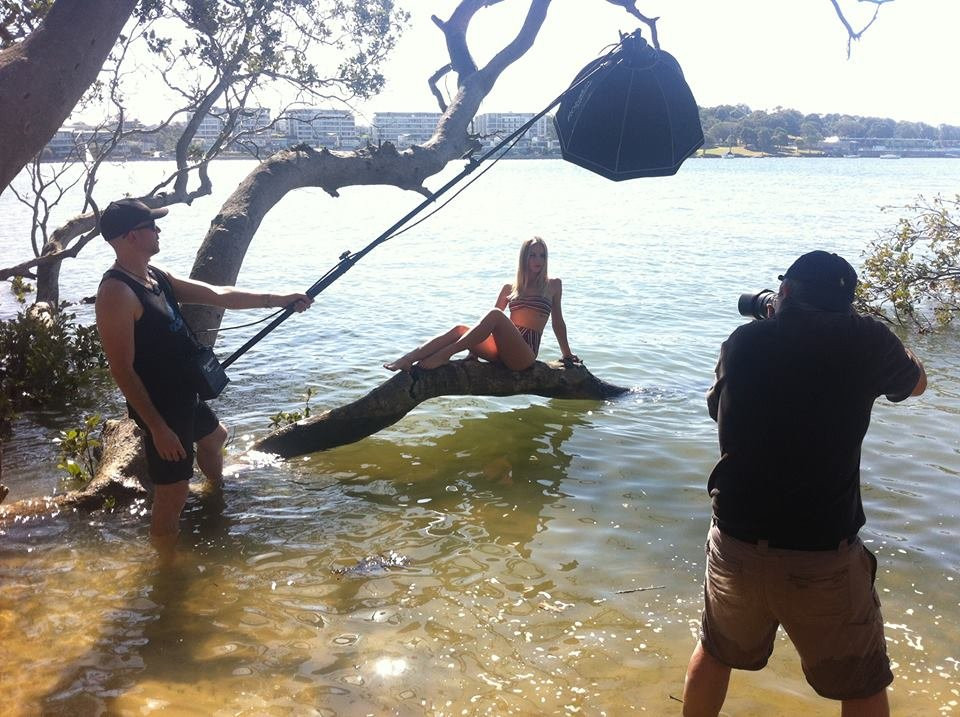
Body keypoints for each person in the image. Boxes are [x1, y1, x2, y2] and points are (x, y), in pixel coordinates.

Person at [682, 250, 927, 717]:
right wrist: (888, 344)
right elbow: (916, 384)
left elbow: (718, 410)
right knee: (862, 685)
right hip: (822, 555)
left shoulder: (744, 342)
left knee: (714, 652)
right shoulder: (866, 340)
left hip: (736, 542)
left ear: (786, 291)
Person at [95, 198, 313, 552]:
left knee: (215, 437)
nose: (158, 230)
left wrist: (278, 298)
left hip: (184, 392)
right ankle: (165, 571)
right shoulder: (116, 293)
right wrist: (158, 428)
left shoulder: (155, 276)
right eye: (152, 225)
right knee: (172, 494)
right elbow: (121, 369)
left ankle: (215, 494)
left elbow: (219, 295)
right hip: (162, 407)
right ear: (131, 236)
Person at [383, 236, 577, 372]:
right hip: (501, 349)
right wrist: (473, 351)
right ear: (524, 257)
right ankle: (407, 359)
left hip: (524, 354)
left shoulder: (553, 285)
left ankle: (445, 355)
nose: (538, 260)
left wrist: (567, 354)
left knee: (495, 314)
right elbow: (486, 326)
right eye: (533, 255)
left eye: (542, 255)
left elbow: (558, 323)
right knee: (460, 329)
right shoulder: (510, 288)